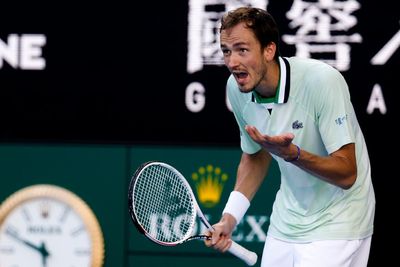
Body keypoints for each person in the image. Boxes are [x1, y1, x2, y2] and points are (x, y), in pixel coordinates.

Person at [204, 6, 375, 267]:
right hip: (287, 220)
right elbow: (255, 155)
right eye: (226, 51)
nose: (231, 62)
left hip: (340, 220)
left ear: (269, 50)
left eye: (242, 50)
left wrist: (293, 155)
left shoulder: (322, 81)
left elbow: (348, 173)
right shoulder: (236, 89)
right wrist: (230, 218)